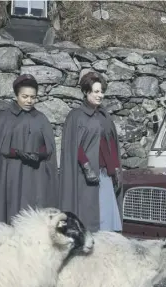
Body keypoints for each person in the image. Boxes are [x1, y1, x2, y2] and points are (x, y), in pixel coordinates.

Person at [0, 74, 59, 225]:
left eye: (33, 97)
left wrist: (38, 154)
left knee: (32, 212)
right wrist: (18, 153)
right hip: (10, 175)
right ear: (16, 95)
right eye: (25, 96)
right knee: (11, 209)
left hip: (34, 175)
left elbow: (48, 147)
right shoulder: (3, 119)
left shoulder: (41, 118)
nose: (29, 101)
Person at [59, 72, 123, 232]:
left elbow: (111, 143)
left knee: (107, 219)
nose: (100, 95)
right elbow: (74, 145)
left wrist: (115, 168)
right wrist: (86, 167)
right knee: (90, 217)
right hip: (85, 176)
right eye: (96, 91)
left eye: (101, 91)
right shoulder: (76, 116)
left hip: (104, 174)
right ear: (86, 92)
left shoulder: (104, 116)